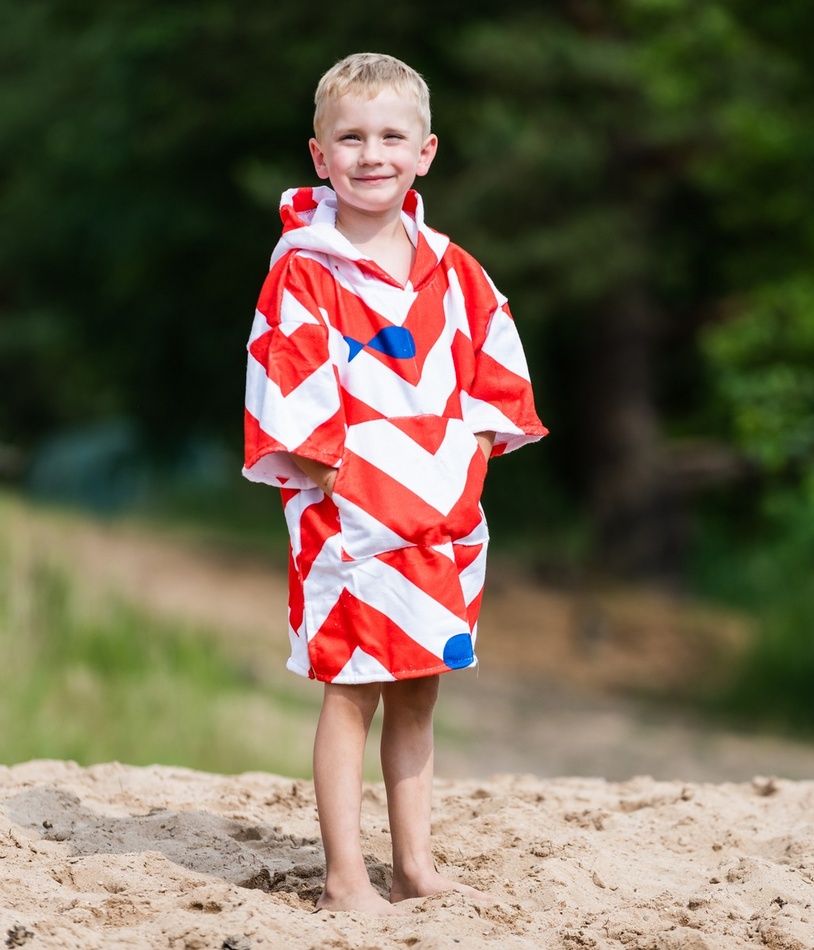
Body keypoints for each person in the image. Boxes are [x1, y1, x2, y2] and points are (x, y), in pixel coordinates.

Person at [242, 52, 547, 914]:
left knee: (419, 687)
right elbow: (292, 398)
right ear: (318, 154)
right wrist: (345, 487)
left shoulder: (454, 269)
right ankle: (345, 877)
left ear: (426, 151)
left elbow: (494, 381)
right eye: (350, 137)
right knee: (355, 690)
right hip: (351, 516)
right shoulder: (306, 267)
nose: (370, 153)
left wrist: (463, 472)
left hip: (443, 519)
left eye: (390, 137)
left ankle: (414, 863)